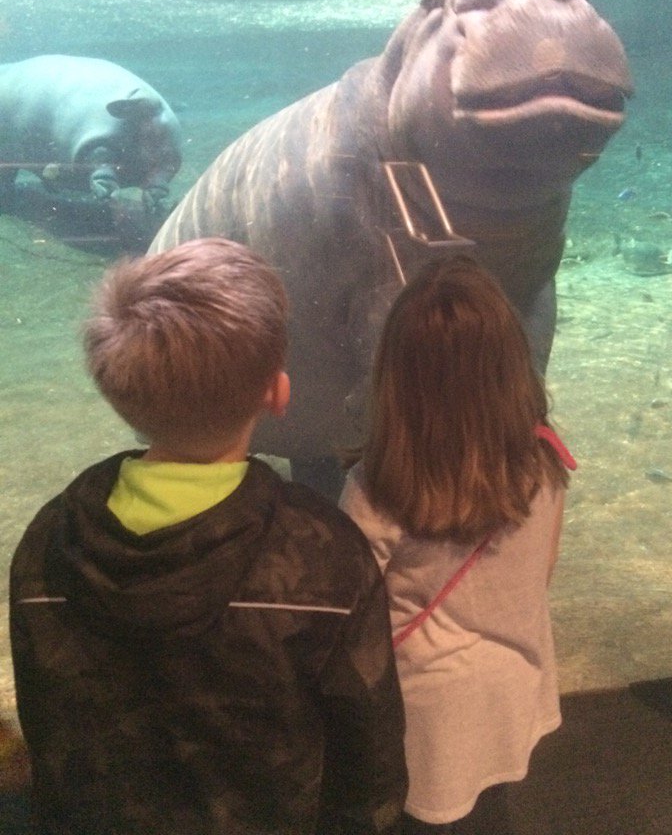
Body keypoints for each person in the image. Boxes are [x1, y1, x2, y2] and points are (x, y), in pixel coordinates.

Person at [10, 237, 407, 835]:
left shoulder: (48, 543)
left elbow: (49, 727)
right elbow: (368, 754)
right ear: (278, 392)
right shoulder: (322, 553)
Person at [340, 255, 575, 834]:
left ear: (395, 377)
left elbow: (351, 617)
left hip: (424, 718)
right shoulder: (546, 461)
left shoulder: (376, 489)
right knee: (485, 812)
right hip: (511, 684)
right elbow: (540, 570)